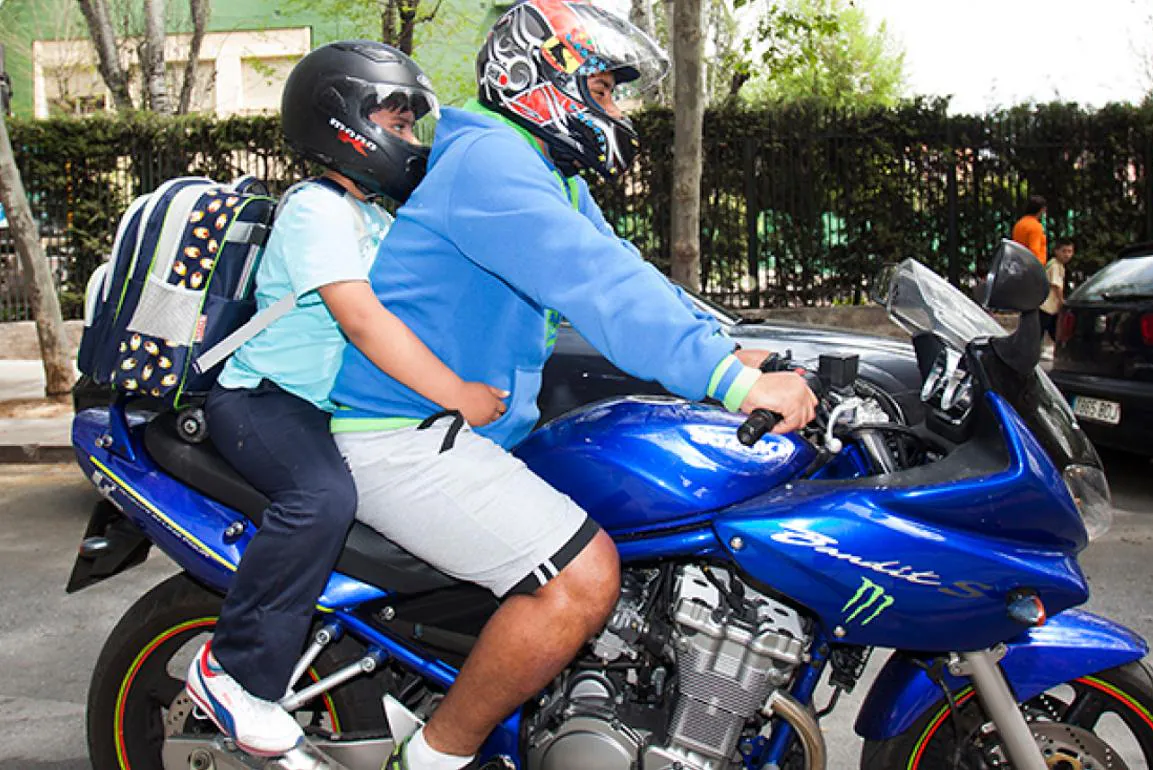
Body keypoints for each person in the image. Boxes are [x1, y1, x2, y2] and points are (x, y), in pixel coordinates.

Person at [328, 3, 817, 769]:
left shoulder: (534, 165)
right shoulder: (488, 165)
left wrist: (726, 345)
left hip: (470, 433)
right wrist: (726, 380)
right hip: (403, 439)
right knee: (582, 581)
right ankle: (430, 759)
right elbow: (595, 284)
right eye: (607, 90)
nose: (616, 110)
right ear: (540, 79)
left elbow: (621, 265)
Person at [183, 41, 508, 758]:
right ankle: (232, 670)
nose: (410, 140)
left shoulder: (375, 218)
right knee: (320, 498)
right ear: (345, 126)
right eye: (396, 122)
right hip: (266, 401)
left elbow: (425, 306)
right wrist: (456, 394)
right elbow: (363, 320)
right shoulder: (315, 209)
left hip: (324, 405)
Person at [1040, 237, 1074, 348]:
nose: (1067, 255)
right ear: (1056, 251)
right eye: (1064, 251)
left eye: (1070, 251)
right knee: (1048, 331)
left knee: (1053, 332)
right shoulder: (1055, 266)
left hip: (1050, 307)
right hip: (1047, 307)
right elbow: (1056, 286)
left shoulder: (1057, 265)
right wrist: (1062, 301)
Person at [1012, 194, 1048, 265]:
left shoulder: (1019, 223)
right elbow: (1034, 251)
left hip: (1020, 263)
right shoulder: (1035, 226)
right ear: (1042, 209)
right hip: (1032, 267)